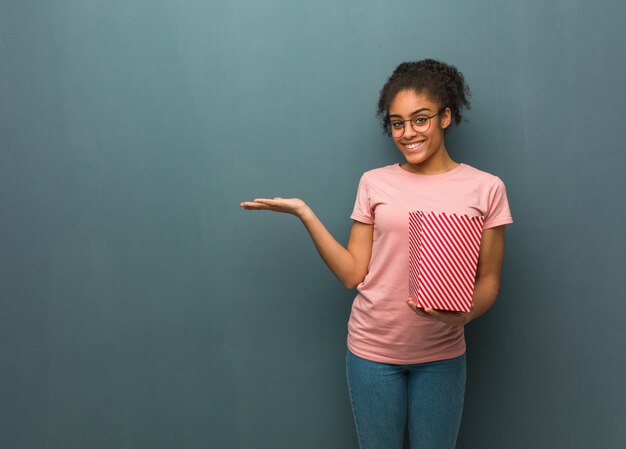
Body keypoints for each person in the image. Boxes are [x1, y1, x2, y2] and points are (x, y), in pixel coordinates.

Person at [240, 59, 513, 449]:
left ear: (446, 116)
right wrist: (304, 212)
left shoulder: (485, 188)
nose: (408, 133)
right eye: (397, 123)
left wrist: (466, 315)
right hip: (372, 353)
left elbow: (488, 279)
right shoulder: (375, 182)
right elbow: (353, 273)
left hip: (441, 354)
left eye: (420, 119)